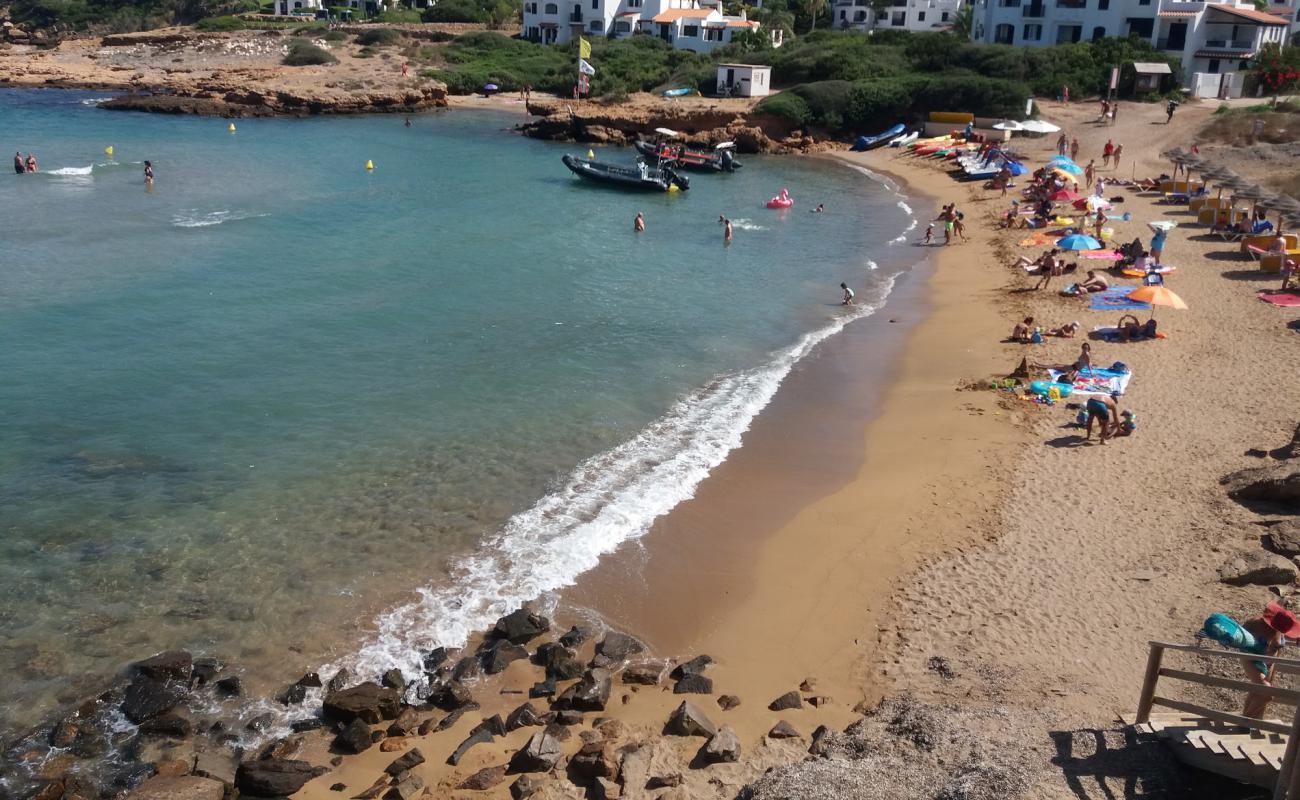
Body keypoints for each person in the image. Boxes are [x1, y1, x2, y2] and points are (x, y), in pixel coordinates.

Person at [1200, 604, 1300, 719]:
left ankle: (1252, 722)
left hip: (1270, 661)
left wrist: (1297, 637)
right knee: (1267, 693)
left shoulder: (1281, 629)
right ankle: (1244, 722)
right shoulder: (1255, 624)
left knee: (1257, 691)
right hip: (1251, 659)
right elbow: (1238, 636)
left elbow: (1284, 637)